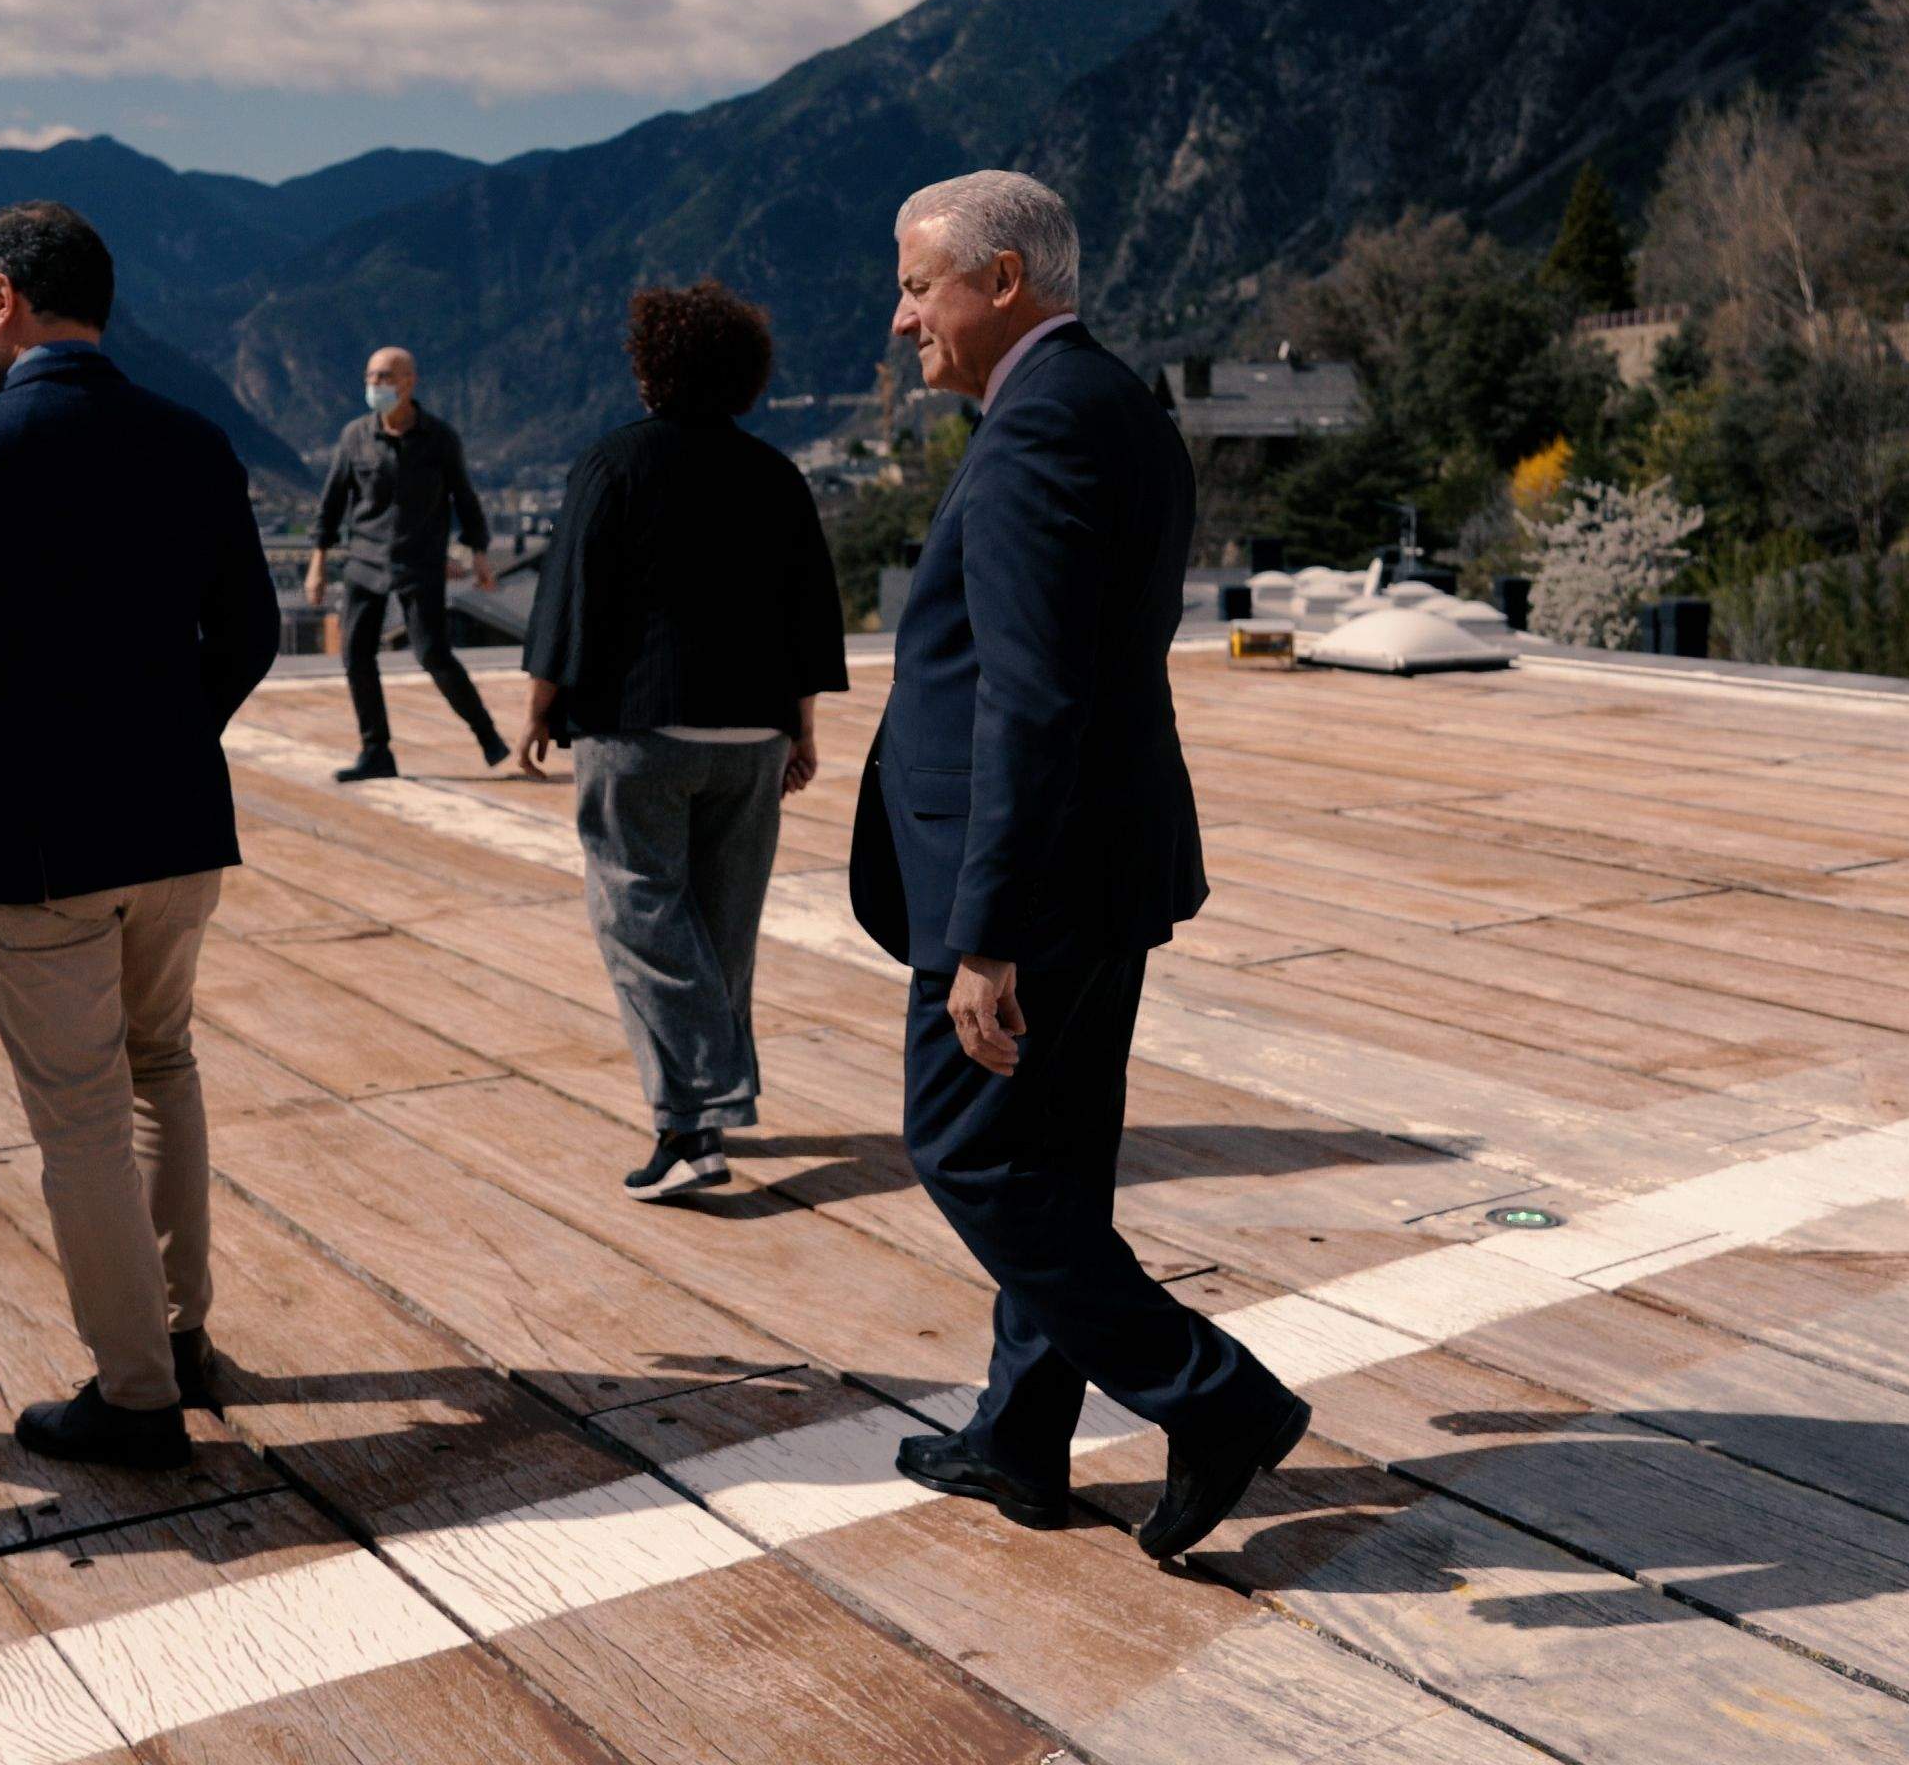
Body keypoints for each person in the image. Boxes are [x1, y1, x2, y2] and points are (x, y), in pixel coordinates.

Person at [849, 169, 1308, 1563]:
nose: (901, 316)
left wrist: (986, 930)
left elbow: (1030, 698)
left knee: (969, 1156)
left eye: (920, 285)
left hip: (1031, 880)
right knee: (1051, 1162)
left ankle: (1211, 1399)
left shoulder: (1041, 428)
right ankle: (1019, 1435)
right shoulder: (1107, 401)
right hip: (1104, 860)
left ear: (1001, 283)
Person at [0, 202, 281, 1471]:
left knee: (81, 1118)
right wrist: (166, 730)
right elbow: (255, 633)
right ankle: (183, 1335)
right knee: (162, 1064)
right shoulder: (194, 442)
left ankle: (137, 1393)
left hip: (42, 838)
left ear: (3, 298)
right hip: (178, 825)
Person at [514, 282, 849, 1200]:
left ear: (653, 365)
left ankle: (696, 1111)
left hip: (639, 728)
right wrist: (802, 727)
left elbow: (569, 597)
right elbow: (807, 611)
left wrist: (541, 705)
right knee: (721, 928)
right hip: (752, 735)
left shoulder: (614, 464)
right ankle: (699, 1120)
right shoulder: (775, 475)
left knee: (637, 915)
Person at [308, 345, 506, 781]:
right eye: (371, 377)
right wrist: (317, 562)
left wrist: (479, 554)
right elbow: (333, 501)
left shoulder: (439, 438)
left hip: (419, 561)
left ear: (409, 382)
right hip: (364, 559)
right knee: (355, 655)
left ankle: (487, 734)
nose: (375, 385)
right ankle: (375, 750)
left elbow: (464, 499)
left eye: (385, 377)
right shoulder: (354, 436)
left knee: (433, 654)